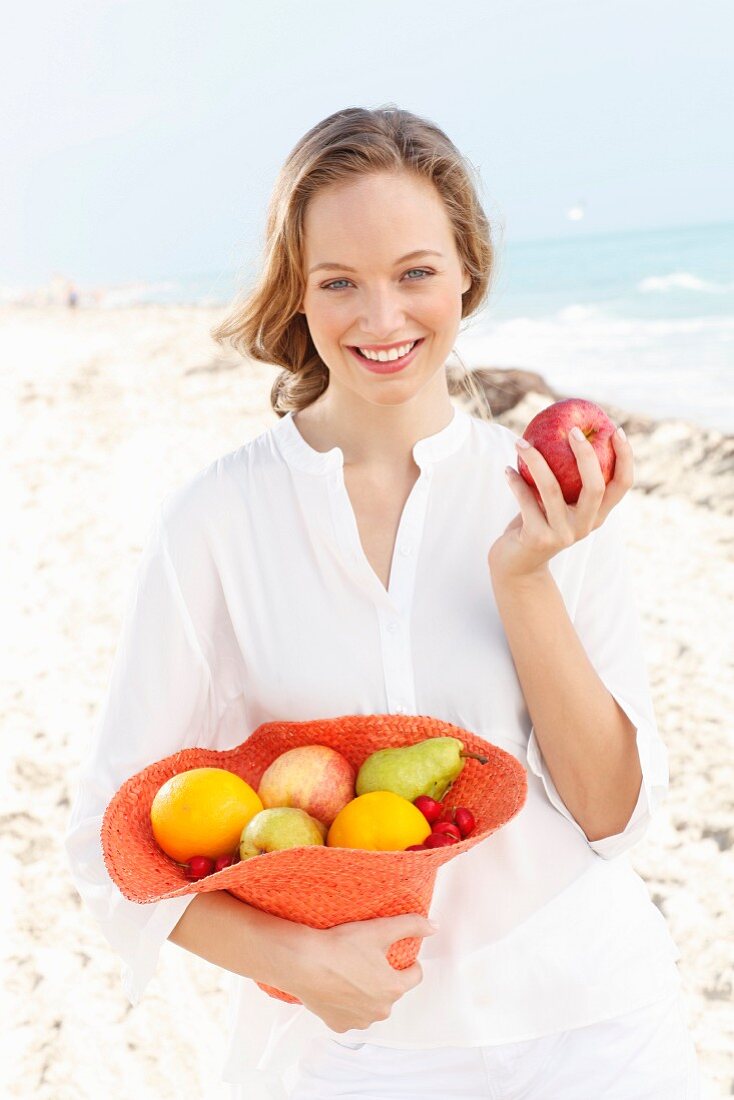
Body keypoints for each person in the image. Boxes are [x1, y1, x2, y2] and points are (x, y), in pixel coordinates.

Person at [64, 105, 703, 1099]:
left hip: (595, 1027)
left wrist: (524, 577)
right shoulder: (216, 520)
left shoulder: (548, 496)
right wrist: (291, 961)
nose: (381, 318)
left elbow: (611, 815)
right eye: (338, 283)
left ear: (465, 274)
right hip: (348, 1053)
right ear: (298, 291)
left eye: (413, 273)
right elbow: (109, 839)